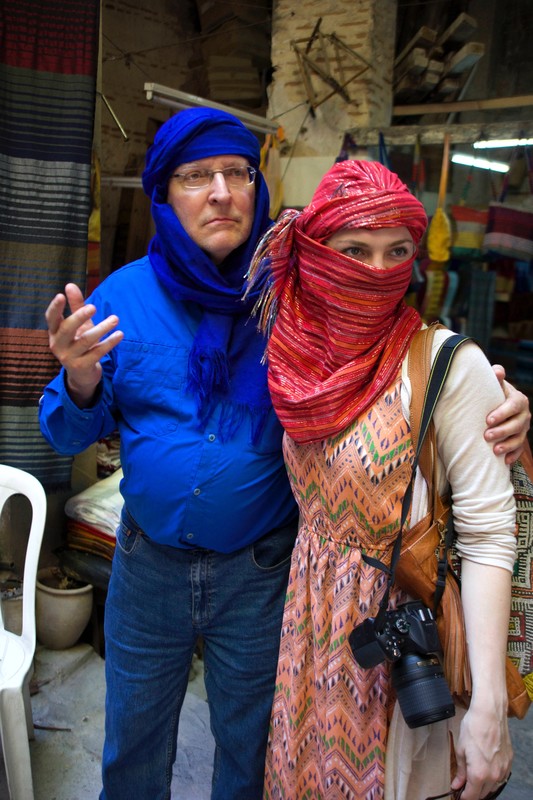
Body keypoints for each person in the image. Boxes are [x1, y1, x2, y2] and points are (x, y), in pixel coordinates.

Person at [38, 108, 528, 800]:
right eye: (195, 176)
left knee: (250, 751)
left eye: (237, 172)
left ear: (256, 188)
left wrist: (494, 399)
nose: (220, 192)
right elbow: (63, 434)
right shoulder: (121, 299)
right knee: (133, 748)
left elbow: (396, 357)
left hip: (261, 576)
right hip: (147, 569)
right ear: (163, 196)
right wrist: (83, 379)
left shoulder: (301, 300)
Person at [244, 159, 524, 800]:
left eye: (396, 251)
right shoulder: (297, 357)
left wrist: (486, 704)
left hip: (403, 638)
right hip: (312, 631)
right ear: (317, 257)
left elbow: (489, 536)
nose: (376, 272)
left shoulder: (449, 365)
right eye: (354, 250)